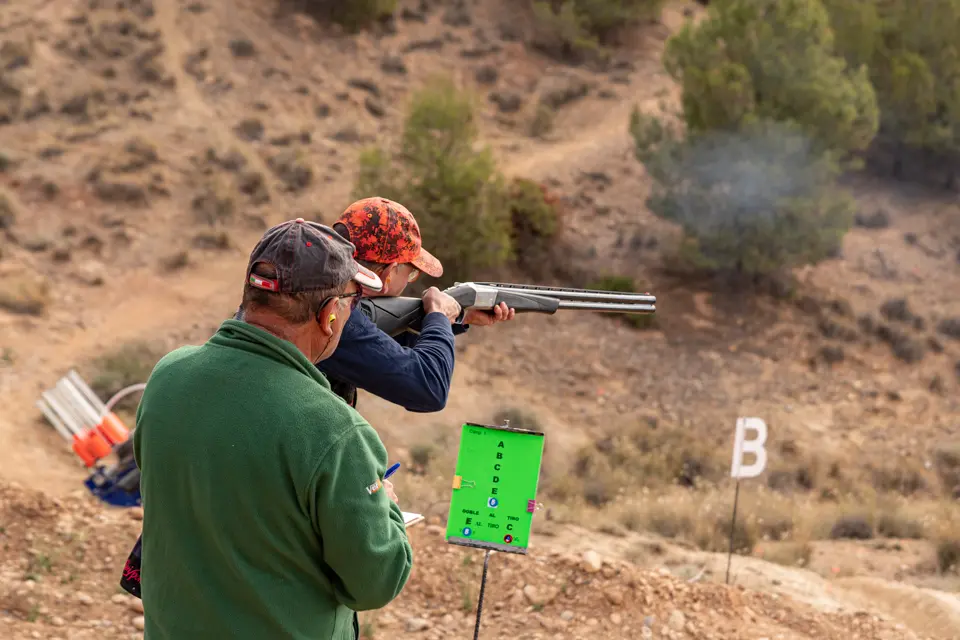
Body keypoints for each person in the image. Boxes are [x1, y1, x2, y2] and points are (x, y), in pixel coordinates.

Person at [131, 218, 413, 639]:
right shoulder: (335, 430)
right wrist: (384, 507)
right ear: (329, 314)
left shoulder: (168, 376)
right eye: (352, 302)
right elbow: (376, 581)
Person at [317, 196, 516, 410]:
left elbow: (385, 345)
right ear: (389, 273)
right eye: (411, 273)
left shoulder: (319, 290)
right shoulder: (338, 317)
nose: (410, 279)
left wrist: (459, 317)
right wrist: (438, 315)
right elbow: (429, 389)